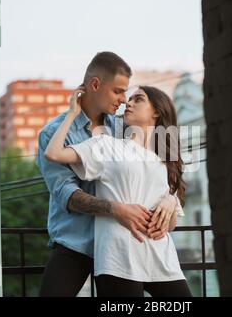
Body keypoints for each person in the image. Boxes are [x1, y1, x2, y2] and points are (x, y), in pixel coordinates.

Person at [37, 52, 180, 296]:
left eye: (128, 94)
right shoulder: (53, 133)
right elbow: (67, 194)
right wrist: (115, 209)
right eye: (118, 91)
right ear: (95, 85)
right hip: (78, 241)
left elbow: (160, 168)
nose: (124, 100)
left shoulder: (124, 127)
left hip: (123, 242)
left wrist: (171, 198)